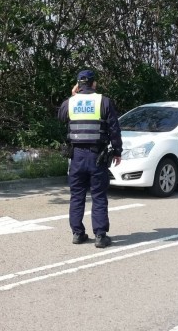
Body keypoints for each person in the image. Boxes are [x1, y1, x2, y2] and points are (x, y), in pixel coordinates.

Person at [58, 69, 122, 248]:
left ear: (78, 85)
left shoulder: (70, 102)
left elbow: (61, 117)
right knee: (99, 195)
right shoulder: (104, 101)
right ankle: (100, 236)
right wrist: (117, 151)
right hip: (97, 156)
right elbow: (114, 130)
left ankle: (78, 234)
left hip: (76, 156)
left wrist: (72, 96)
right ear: (94, 83)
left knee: (77, 196)